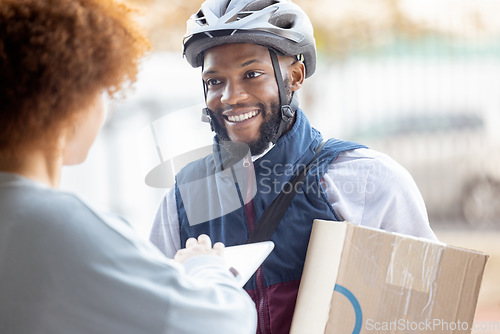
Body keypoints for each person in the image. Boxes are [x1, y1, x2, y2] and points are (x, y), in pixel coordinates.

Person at [149, 0, 437, 333]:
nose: (231, 96)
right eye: (214, 82)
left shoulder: (368, 179)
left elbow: (426, 307)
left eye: (251, 74)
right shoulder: (181, 198)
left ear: (295, 77)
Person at [0, 0, 257, 333]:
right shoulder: (60, 224)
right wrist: (205, 267)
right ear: (71, 101)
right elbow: (226, 322)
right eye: (101, 91)